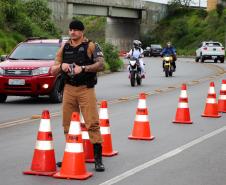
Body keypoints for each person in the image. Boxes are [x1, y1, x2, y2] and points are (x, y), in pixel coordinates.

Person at [51, 19, 105, 172]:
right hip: (68, 89)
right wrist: (61, 66)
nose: (72, 32)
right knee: (68, 124)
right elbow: (53, 69)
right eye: (70, 29)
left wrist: (84, 68)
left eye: (75, 30)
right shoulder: (64, 47)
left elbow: (101, 64)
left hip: (85, 89)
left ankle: (98, 159)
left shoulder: (91, 46)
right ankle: (71, 153)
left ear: (82, 32)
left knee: (92, 123)